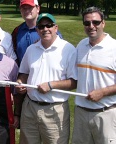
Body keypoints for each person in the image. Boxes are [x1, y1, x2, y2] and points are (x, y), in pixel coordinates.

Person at [15, 13, 77, 144]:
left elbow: (74, 82)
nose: (45, 29)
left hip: (55, 110)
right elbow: (24, 73)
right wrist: (20, 82)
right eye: (41, 26)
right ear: (37, 30)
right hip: (30, 107)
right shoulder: (31, 49)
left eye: (49, 25)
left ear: (56, 28)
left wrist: (51, 85)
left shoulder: (68, 49)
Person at [11, 0, 62, 128]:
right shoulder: (17, 31)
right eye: (23, 8)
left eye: (30, 7)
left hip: (45, 89)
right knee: (26, 130)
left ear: (38, 8)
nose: (26, 10)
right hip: (24, 84)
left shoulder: (50, 32)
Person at [72, 6, 116, 144]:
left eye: (95, 22)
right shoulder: (81, 45)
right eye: (87, 23)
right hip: (81, 113)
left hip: (106, 113)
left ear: (103, 23)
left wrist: (102, 92)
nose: (91, 26)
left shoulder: (114, 47)